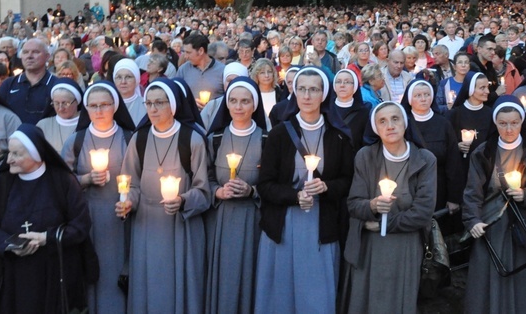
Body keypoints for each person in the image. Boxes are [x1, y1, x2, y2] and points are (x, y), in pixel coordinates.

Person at [255, 67, 354, 313]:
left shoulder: (338, 136)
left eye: (314, 89)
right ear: (294, 93)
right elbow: (265, 184)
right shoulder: (279, 133)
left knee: (315, 295)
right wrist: (294, 196)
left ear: (324, 94)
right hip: (284, 224)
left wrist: (327, 186)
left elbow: (348, 180)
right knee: (281, 296)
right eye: (301, 89)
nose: (307, 95)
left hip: (321, 225)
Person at [0, 124, 93, 313]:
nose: (9, 159)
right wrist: (8, 245)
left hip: (54, 273)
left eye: (17, 154)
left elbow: (80, 226)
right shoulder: (0, 184)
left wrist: (47, 237)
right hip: (13, 275)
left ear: (36, 156)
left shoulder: (62, 181)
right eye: (9, 153)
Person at [116, 77, 211, 313]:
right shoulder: (140, 138)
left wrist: (182, 200)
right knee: (149, 287)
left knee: (179, 286)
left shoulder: (193, 139)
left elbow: (204, 191)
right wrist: (128, 203)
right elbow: (131, 184)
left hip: (181, 226)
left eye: (160, 103)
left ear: (173, 105)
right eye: (149, 103)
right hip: (147, 225)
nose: (153, 109)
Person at [341, 101, 437, 313]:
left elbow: (423, 212)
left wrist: (385, 224)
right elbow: (354, 204)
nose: (390, 125)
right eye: (382, 121)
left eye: (395, 119)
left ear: (405, 123)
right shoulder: (365, 156)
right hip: (369, 246)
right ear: (375, 128)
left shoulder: (425, 159)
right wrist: (372, 205)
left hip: (406, 244)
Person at [462, 96, 526, 314]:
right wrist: (472, 220)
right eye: (503, 123)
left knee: (523, 280)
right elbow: (472, 191)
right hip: (491, 225)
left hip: (525, 226)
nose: (509, 129)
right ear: (495, 123)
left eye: (514, 122)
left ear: (522, 121)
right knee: (488, 276)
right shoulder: (483, 152)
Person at [61, 81, 136, 314]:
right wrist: (85, 180)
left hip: (122, 219)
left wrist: (131, 199)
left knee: (118, 275)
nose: (99, 110)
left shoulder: (130, 137)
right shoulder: (76, 141)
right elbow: (61, 182)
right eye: (93, 106)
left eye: (104, 104)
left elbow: (142, 178)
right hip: (88, 218)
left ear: (115, 106)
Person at [205, 78, 267, 314]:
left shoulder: (266, 139)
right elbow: (205, 177)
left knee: (251, 275)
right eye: (233, 101)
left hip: (253, 220)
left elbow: (273, 184)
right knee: (224, 277)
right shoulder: (215, 139)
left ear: (254, 104)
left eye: (245, 101)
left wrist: (252, 191)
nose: (238, 107)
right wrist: (217, 191)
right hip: (220, 219)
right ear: (226, 104)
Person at [400, 79, 462, 230]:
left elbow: (453, 163)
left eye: (427, 95)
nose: (423, 99)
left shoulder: (443, 123)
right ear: (410, 99)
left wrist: (453, 197)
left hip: (438, 188)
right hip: (409, 190)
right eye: (418, 95)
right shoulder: (403, 124)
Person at [447, 71, 494, 192]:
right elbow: (447, 142)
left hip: (484, 169)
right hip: (461, 169)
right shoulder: (455, 114)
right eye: (482, 88)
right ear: (470, 89)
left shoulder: (490, 113)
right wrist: (457, 146)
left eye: (487, 87)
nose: (487, 91)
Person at [0, 38, 59, 124]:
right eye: (25, 52)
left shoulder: (57, 85)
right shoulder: (8, 84)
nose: (29, 56)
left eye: (35, 52)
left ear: (47, 56)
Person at [175, 33, 226, 109]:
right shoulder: (183, 69)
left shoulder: (222, 70)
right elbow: (177, 95)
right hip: (191, 118)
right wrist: (190, 103)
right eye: (184, 52)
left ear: (201, 51)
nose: (185, 56)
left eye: (188, 52)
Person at [36, 78, 83, 154]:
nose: (60, 108)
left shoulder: (88, 125)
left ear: (77, 101)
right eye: (56, 103)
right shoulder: (43, 126)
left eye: (65, 103)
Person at [330, 69, 372, 152]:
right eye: (338, 81)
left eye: (347, 82)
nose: (342, 85)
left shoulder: (365, 111)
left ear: (355, 86)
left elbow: (367, 142)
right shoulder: (326, 109)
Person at [250, 58, 283, 129]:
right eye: (262, 72)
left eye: (269, 72)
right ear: (256, 75)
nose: (266, 75)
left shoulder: (280, 93)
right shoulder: (252, 94)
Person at [113, 58, 147, 126]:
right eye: (119, 77)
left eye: (128, 77)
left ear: (136, 79)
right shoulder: (108, 104)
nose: (123, 82)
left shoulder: (146, 105)